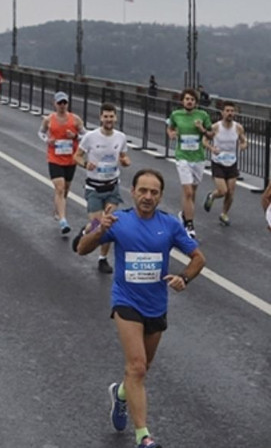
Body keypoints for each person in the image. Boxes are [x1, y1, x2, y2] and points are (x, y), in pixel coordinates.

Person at [76, 169, 204, 448]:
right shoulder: (119, 221)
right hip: (126, 302)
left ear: (160, 196)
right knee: (136, 366)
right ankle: (143, 437)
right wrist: (100, 230)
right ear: (132, 192)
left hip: (156, 306)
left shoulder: (169, 225)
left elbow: (198, 258)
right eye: (142, 191)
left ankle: (121, 395)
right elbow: (81, 249)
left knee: (142, 368)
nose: (147, 197)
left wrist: (184, 277)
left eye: (153, 192)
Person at [72, 103, 131, 274]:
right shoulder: (90, 137)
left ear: (116, 117)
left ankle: (102, 259)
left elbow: (123, 155)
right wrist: (85, 164)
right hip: (94, 188)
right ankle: (85, 231)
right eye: (105, 116)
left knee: (108, 224)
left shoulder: (120, 137)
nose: (109, 119)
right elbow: (76, 156)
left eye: (111, 116)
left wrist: (126, 161)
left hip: (112, 186)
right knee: (97, 224)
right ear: (100, 118)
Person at [167, 89, 213, 239]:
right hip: (182, 157)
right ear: (182, 101)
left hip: (198, 158)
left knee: (192, 192)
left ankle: (184, 214)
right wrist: (171, 133)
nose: (189, 101)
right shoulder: (176, 115)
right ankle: (190, 225)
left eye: (192, 99)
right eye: (187, 99)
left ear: (196, 102)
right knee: (187, 192)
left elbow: (211, 134)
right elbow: (170, 126)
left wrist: (202, 129)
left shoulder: (203, 115)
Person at [39, 92, 87, 234]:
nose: (62, 105)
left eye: (64, 103)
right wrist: (48, 140)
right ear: (55, 104)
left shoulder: (75, 120)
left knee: (65, 189)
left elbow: (86, 135)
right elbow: (41, 133)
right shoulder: (49, 119)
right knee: (59, 187)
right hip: (54, 158)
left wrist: (76, 136)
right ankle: (63, 220)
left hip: (70, 159)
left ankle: (58, 209)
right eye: (59, 103)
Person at [203, 102, 247, 226]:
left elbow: (244, 140)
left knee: (231, 192)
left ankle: (224, 214)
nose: (230, 113)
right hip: (218, 162)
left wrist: (243, 145)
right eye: (227, 111)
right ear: (222, 113)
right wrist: (211, 148)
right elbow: (204, 140)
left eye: (232, 111)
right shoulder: (216, 127)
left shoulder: (238, 128)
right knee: (222, 191)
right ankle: (212, 195)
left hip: (232, 162)